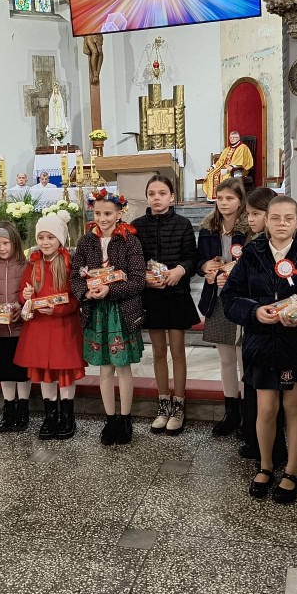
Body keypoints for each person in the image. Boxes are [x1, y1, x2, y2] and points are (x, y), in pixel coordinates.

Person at [222, 196, 297, 504]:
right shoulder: (251, 255)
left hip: (295, 346)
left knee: (293, 407)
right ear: (265, 221)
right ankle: (266, 465)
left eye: (288, 218)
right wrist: (254, 312)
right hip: (260, 344)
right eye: (276, 218)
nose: (282, 224)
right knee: (266, 408)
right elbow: (230, 298)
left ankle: (293, 471)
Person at [70, 189, 146, 445]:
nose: (102, 218)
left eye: (108, 213)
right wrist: (87, 294)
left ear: (119, 214)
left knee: (122, 366)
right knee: (104, 368)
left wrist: (109, 289)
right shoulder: (85, 241)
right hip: (97, 311)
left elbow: (138, 280)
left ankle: (125, 419)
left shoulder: (130, 241)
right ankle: (109, 419)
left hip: (121, 310)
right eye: (98, 213)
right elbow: (74, 276)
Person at [132, 174, 199, 435]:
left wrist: (179, 270)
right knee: (158, 352)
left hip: (176, 294)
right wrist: (146, 281)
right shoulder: (137, 226)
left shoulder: (182, 224)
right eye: (152, 193)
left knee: (178, 351)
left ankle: (179, 404)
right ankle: (163, 403)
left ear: (171, 197)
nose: (157, 198)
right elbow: (135, 263)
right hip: (152, 296)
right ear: (147, 197)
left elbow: (192, 259)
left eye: (162, 193)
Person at [14, 213, 86, 440]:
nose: (45, 242)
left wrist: (58, 309)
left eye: (50, 238)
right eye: (41, 237)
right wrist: (25, 296)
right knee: (45, 373)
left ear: (60, 240)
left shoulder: (68, 264)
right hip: (39, 327)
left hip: (64, 326)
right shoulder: (33, 264)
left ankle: (67, 416)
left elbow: (76, 297)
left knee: (64, 371)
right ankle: (50, 416)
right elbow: (23, 296)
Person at [237, 187, 286, 463]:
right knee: (255, 387)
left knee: (275, 396)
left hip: (280, 330)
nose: (250, 219)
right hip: (256, 325)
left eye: (256, 213)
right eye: (249, 213)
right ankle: (255, 441)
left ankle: (274, 448)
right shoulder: (252, 243)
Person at [197, 178, 249, 436]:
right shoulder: (208, 227)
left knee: (242, 357)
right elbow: (200, 261)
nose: (225, 203)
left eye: (230, 198)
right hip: (217, 298)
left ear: (241, 200)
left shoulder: (249, 227)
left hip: (241, 299)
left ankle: (249, 414)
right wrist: (206, 267)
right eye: (220, 198)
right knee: (226, 358)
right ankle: (231, 411)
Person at [0, 221, 31, 433]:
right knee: (4, 372)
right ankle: (8, 407)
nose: (1, 248)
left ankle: (23, 408)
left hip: (22, 329)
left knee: (22, 372)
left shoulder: (27, 266)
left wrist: (21, 307)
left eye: (6, 243)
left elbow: (31, 292)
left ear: (15, 243)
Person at [202, 131, 254, 201]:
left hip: (237, 170)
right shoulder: (227, 149)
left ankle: (224, 197)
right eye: (231, 138)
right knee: (211, 175)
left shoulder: (242, 147)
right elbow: (220, 161)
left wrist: (233, 167)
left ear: (238, 138)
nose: (232, 139)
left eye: (234, 137)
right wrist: (212, 167)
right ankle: (213, 198)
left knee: (223, 176)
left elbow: (242, 161)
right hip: (224, 168)